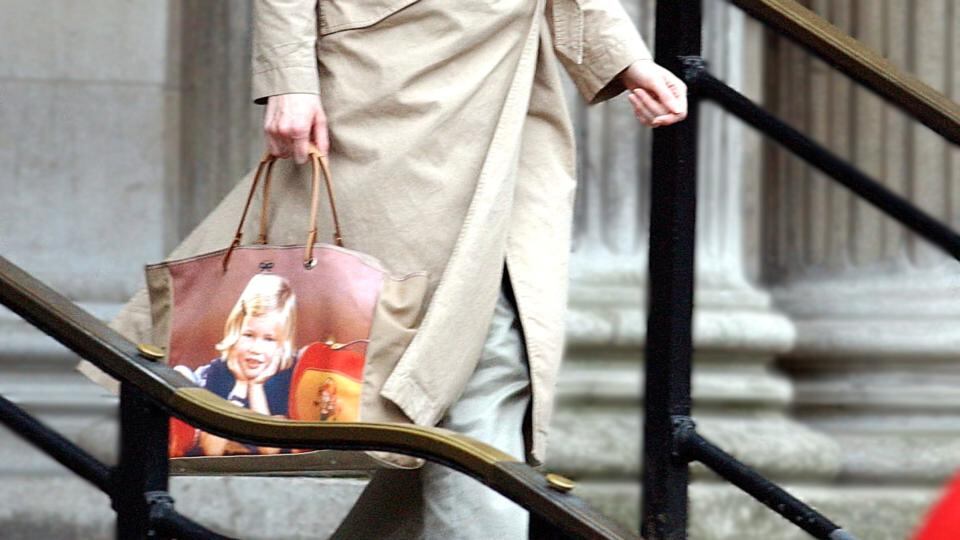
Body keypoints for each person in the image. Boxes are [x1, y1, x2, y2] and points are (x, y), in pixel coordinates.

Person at [93, 0, 688, 537]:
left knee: (491, 360)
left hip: (506, 86)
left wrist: (625, 55)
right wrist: (290, 77)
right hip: (390, 79)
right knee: (447, 366)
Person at [175, 272, 298, 456]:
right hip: (222, 462)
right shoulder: (219, 372)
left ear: (282, 344)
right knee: (179, 376)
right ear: (235, 331)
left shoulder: (286, 377)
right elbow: (212, 450)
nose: (256, 348)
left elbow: (270, 450)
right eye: (248, 335)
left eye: (269, 339)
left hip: (265, 471)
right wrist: (240, 387)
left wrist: (255, 387)